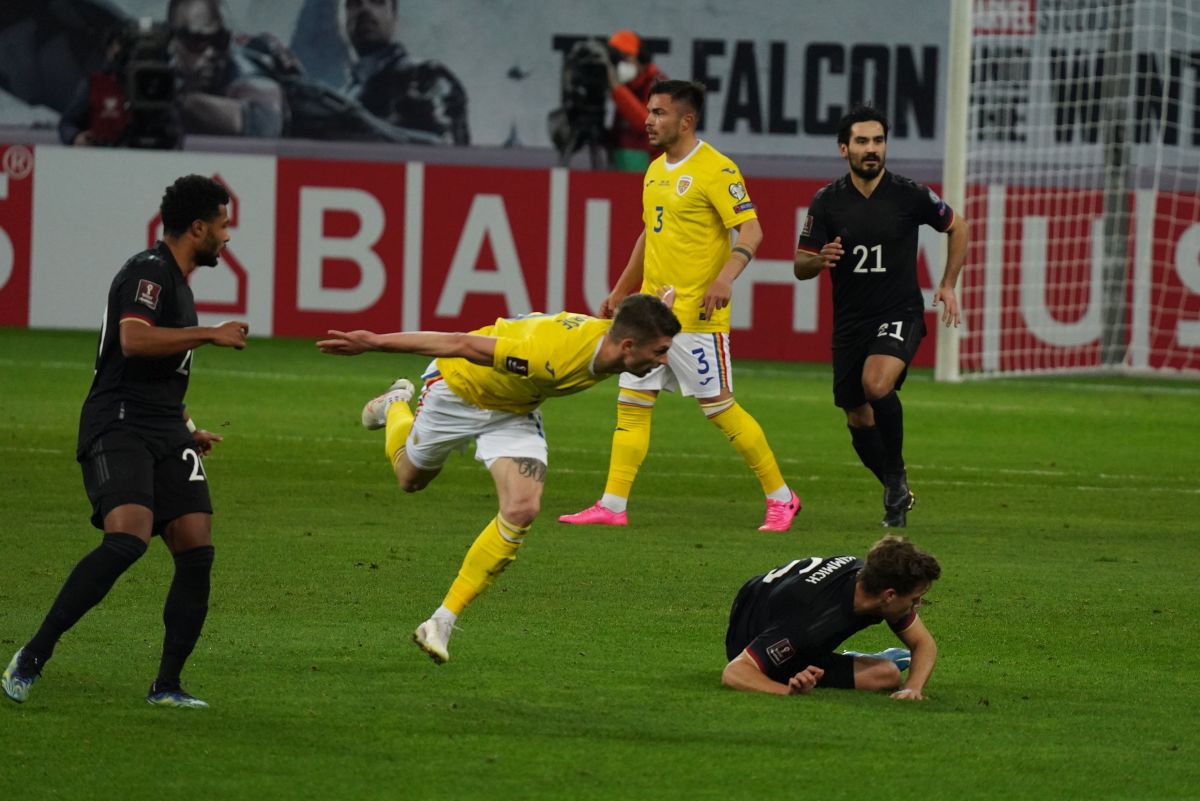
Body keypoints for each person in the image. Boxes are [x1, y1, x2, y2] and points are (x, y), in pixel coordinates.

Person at [317, 293, 681, 664]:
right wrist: (374, 342)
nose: (664, 359)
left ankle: (441, 621)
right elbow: (460, 343)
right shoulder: (551, 357)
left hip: (514, 410)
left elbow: (635, 311)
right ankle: (395, 404)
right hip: (457, 391)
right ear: (629, 345)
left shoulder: (618, 337)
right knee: (409, 479)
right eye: (661, 350)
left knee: (522, 508)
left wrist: (664, 301)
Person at [2, 175, 249, 708]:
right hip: (117, 422)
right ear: (199, 227)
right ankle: (33, 655)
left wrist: (186, 426)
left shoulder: (179, 285)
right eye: (223, 226)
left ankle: (166, 686)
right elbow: (133, 340)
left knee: (196, 546)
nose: (228, 238)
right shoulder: (149, 271)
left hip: (164, 427)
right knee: (128, 538)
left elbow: (160, 371)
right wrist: (210, 333)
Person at [559, 79, 800, 533]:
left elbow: (751, 231)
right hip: (651, 314)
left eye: (659, 113)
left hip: (695, 318)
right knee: (632, 404)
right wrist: (620, 290)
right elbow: (649, 234)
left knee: (719, 408)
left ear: (686, 121)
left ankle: (782, 498)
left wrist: (725, 278)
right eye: (649, 112)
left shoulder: (716, 169)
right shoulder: (654, 171)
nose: (648, 121)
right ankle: (612, 504)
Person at [794, 104, 969, 528]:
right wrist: (821, 261)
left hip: (900, 312)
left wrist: (947, 284)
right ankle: (896, 485)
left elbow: (958, 227)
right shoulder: (827, 201)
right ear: (844, 149)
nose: (871, 149)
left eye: (878, 140)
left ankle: (893, 479)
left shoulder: (910, 194)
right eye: (861, 142)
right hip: (851, 321)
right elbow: (800, 265)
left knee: (876, 384)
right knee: (856, 415)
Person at [722, 535, 940, 699]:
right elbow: (735, 672)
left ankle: (847, 657)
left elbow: (923, 644)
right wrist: (786, 691)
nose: (917, 605)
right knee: (881, 674)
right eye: (914, 599)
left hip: (788, 614)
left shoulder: (873, 581)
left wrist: (913, 688)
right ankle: (838, 658)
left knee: (888, 675)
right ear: (889, 595)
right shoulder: (808, 619)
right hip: (752, 635)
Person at [342, 0, 470, 145]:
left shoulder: (423, 79)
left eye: (377, 1)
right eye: (353, 2)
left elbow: (451, 156)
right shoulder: (341, 94)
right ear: (342, 19)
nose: (364, 9)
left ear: (394, 17)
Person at [168, 0, 287, 137]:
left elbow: (264, 122)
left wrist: (178, 104)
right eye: (197, 41)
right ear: (174, 43)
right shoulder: (161, 68)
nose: (211, 53)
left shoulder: (244, 71)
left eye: (220, 40)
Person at [605, 30, 664, 172]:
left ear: (642, 58)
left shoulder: (658, 84)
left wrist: (617, 89)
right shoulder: (626, 85)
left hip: (648, 163)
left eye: (625, 57)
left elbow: (645, 122)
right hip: (621, 157)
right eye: (617, 60)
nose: (621, 64)